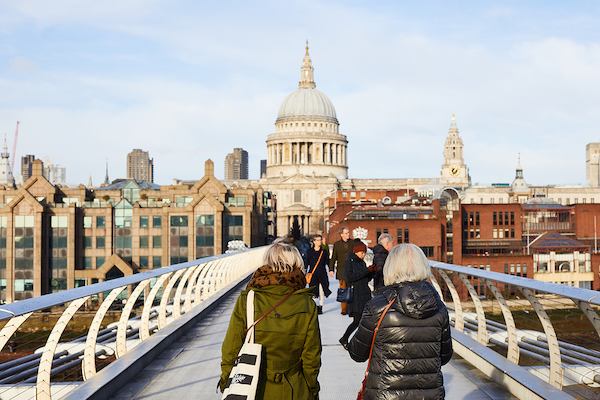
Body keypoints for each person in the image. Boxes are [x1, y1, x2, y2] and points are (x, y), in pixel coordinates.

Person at [348, 243, 453, 399]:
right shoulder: (438, 307)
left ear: (390, 267)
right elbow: (444, 356)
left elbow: (357, 353)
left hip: (385, 393)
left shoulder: (377, 307)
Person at [219, 242, 321, 399]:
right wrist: (311, 388)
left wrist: (227, 381)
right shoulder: (307, 304)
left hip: (253, 388)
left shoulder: (248, 300)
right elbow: (311, 356)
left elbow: (230, 349)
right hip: (294, 388)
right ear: (297, 265)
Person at [339, 240, 372, 349]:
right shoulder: (350, 261)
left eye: (364, 253)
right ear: (356, 252)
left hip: (364, 294)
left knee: (362, 321)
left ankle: (351, 340)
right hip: (357, 295)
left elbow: (364, 279)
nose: (363, 255)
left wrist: (372, 272)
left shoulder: (361, 262)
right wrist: (366, 271)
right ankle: (345, 338)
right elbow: (350, 278)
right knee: (358, 321)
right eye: (362, 253)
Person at [329, 227, 352, 315]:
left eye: (348, 233)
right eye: (346, 233)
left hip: (351, 270)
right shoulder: (337, 244)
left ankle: (350, 308)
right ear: (341, 234)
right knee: (343, 289)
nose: (348, 234)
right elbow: (334, 257)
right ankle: (344, 309)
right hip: (341, 270)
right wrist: (331, 269)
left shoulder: (352, 243)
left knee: (350, 289)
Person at [306, 234, 331, 314]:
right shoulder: (309, 252)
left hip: (322, 274)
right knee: (314, 292)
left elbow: (328, 262)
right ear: (314, 241)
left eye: (320, 240)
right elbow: (306, 263)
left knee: (322, 291)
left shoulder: (324, 252)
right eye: (317, 240)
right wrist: (304, 271)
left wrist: (331, 270)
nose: (319, 242)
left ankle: (320, 307)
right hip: (313, 275)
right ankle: (314, 306)